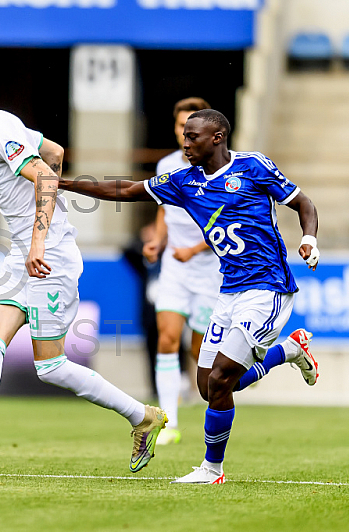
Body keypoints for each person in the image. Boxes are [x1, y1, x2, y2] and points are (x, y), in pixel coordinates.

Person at [0, 66, 167, 473]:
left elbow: (46, 175)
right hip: (21, 255)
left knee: (51, 367)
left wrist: (38, 240)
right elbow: (56, 153)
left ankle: (143, 416)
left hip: (50, 258)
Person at [58, 109, 320, 484]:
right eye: (184, 136)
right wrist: (64, 183)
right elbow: (127, 190)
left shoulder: (254, 167)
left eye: (193, 137)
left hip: (268, 287)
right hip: (228, 291)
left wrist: (309, 239)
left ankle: (212, 469)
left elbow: (303, 204)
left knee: (221, 379)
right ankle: (290, 351)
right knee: (207, 385)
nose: (185, 144)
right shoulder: (183, 181)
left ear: (217, 138)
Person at [142, 97, 221, 446]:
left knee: (199, 350)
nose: (185, 133)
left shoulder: (221, 171)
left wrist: (196, 247)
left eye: (191, 127)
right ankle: (168, 422)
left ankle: (216, 392)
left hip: (208, 271)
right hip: (174, 268)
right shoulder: (166, 165)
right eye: (180, 127)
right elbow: (164, 213)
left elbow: (230, 223)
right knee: (166, 339)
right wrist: (157, 241)